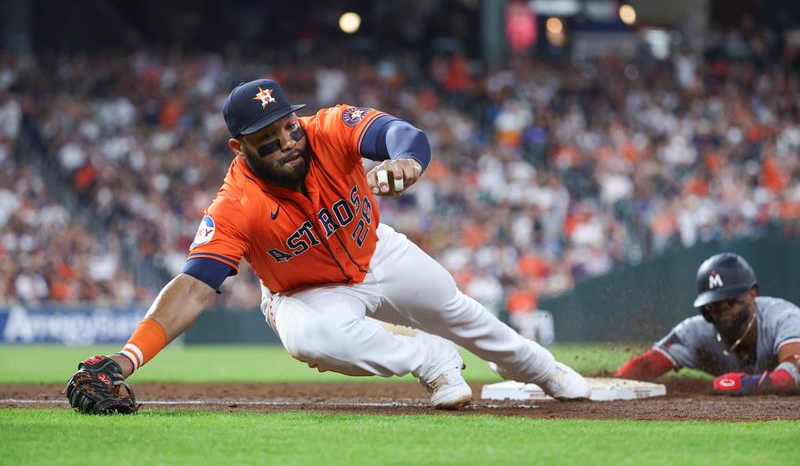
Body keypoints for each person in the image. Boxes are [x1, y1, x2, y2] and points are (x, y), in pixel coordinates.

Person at [65, 78, 589, 414]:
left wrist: (407, 163)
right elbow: (195, 287)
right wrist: (128, 357)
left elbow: (405, 135)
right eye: (266, 138)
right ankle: (429, 359)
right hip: (305, 292)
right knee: (309, 340)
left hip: (376, 251)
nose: (287, 142)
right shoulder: (235, 204)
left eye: (288, 127)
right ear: (238, 147)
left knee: (467, 317)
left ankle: (544, 371)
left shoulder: (330, 127)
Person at [615, 252, 800, 394]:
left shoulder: (784, 318)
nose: (722, 308)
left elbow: (795, 371)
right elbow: (646, 365)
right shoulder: (696, 332)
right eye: (714, 304)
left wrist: (747, 383)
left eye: (730, 300)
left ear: (752, 294)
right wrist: (602, 386)